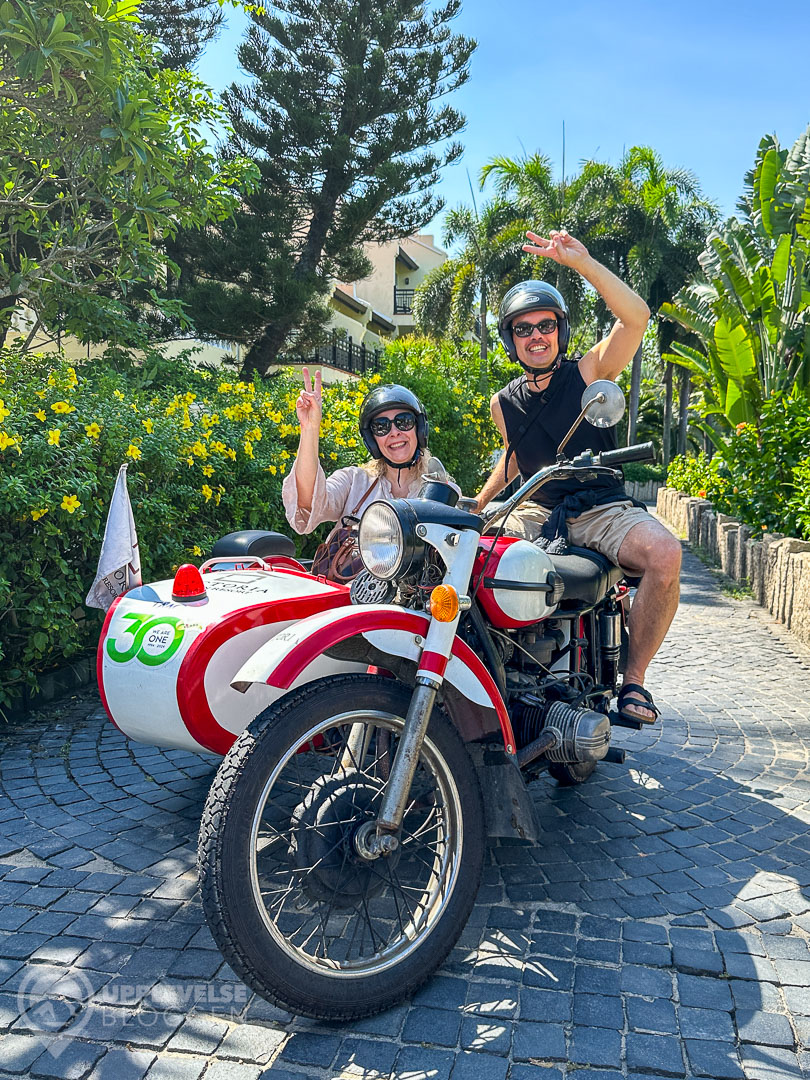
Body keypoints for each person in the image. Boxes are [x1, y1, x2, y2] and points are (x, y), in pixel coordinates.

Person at [473, 229, 682, 725]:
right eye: (523, 329)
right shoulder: (502, 403)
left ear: (560, 331)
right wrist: (478, 506)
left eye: (546, 325)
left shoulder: (588, 372)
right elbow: (512, 457)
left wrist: (583, 264)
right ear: (510, 339)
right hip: (536, 508)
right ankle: (495, 671)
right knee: (470, 557)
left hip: (599, 506)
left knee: (665, 552)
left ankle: (634, 680)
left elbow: (637, 319)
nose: (536, 336)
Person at [282, 369, 457, 535]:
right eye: (381, 426)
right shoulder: (355, 481)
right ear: (372, 439)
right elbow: (307, 502)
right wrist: (310, 428)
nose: (394, 432)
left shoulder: (442, 491)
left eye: (404, 422)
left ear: (419, 429)